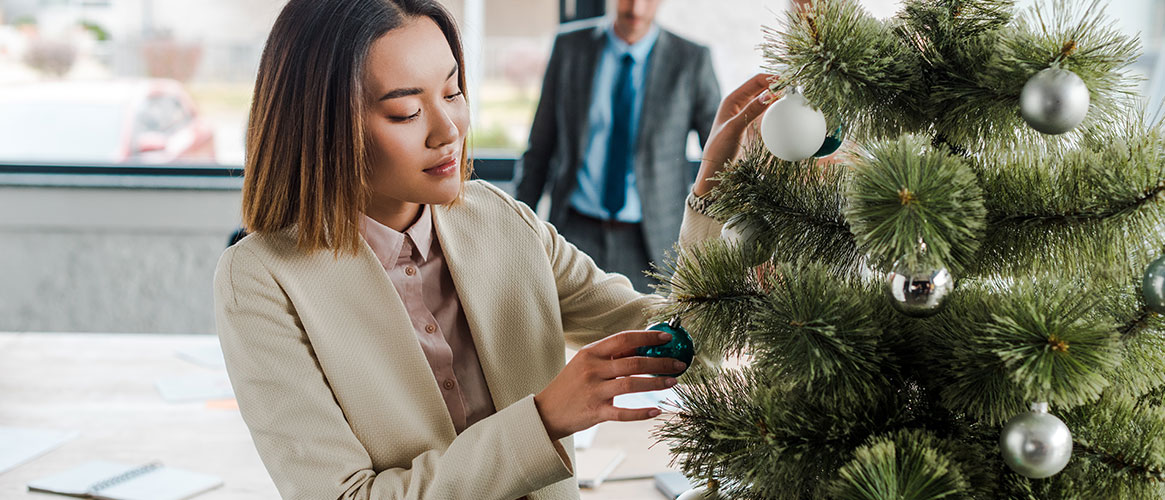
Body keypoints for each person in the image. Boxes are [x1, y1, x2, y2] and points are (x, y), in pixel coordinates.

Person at [212, 0, 772, 498]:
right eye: (406, 111)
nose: (448, 129)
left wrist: (714, 192)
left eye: (453, 90)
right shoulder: (263, 281)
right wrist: (546, 417)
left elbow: (686, 345)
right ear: (323, 125)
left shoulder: (498, 219)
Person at [515, 0, 721, 293]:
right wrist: (519, 231)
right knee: (565, 336)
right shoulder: (569, 47)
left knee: (649, 336)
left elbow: (718, 154)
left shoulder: (691, 59)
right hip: (573, 232)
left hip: (652, 244)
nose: (635, 9)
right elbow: (539, 148)